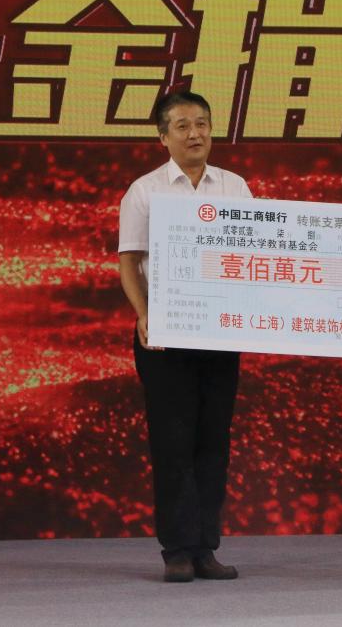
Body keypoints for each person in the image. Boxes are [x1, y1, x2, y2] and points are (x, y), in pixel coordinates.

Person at [118, 91, 252, 582]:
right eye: (182, 126)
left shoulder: (235, 187)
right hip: (166, 335)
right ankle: (176, 549)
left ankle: (205, 549)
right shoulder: (145, 191)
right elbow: (129, 261)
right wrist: (144, 315)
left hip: (219, 333)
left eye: (202, 123)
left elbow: (255, 253)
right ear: (163, 137)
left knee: (213, 443)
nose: (195, 133)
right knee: (173, 444)